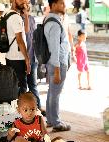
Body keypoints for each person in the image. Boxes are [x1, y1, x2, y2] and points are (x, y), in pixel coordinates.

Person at [44, 0, 71, 132]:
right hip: (58, 63)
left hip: (55, 62)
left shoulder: (50, 20)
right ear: (53, 5)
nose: (64, 6)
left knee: (52, 92)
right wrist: (57, 69)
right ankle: (56, 122)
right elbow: (54, 48)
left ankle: (50, 119)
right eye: (61, 3)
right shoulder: (54, 24)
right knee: (55, 94)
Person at [5, 0, 30, 96]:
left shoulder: (8, 14)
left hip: (10, 56)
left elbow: (26, 31)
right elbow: (20, 40)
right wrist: (27, 60)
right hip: (18, 59)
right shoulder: (15, 17)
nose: (23, 2)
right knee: (22, 89)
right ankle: (22, 110)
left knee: (14, 88)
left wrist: (26, 15)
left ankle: (16, 109)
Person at [24, 5, 44, 115]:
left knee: (32, 85)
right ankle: (27, 110)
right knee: (25, 86)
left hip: (32, 57)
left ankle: (38, 108)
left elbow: (32, 36)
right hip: (25, 58)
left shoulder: (31, 19)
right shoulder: (20, 19)